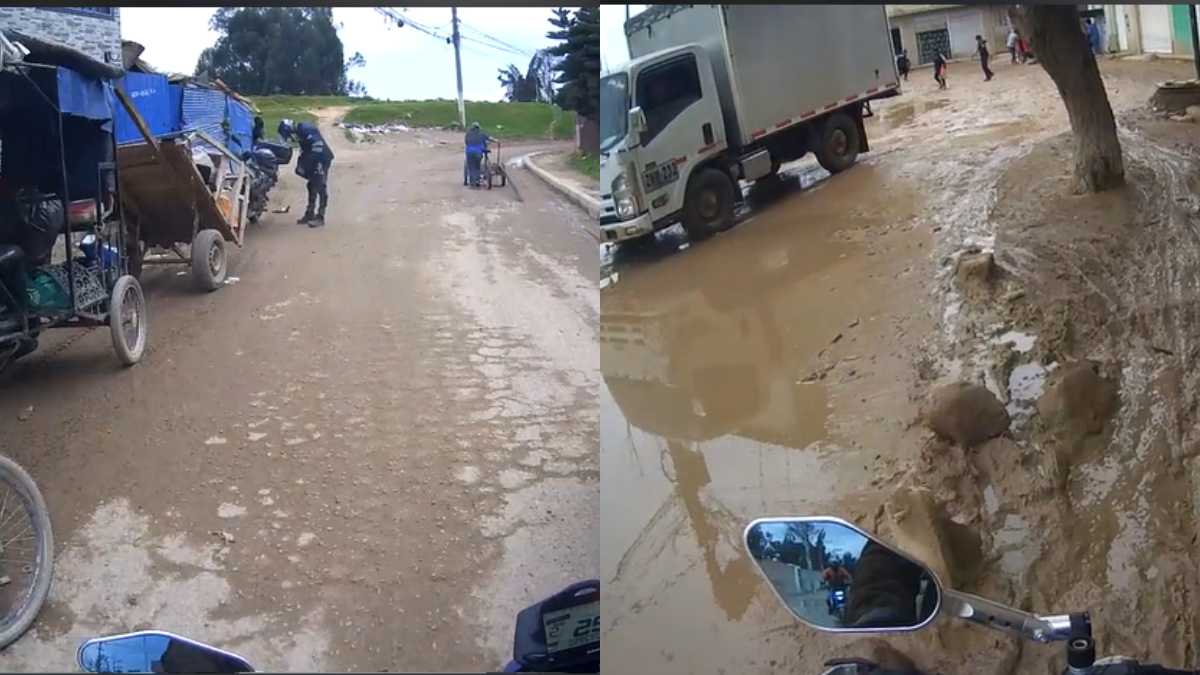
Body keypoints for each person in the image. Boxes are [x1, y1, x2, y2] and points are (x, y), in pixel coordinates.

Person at [843, 540, 938, 628]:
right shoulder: (895, 537)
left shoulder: (841, 571)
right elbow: (881, 556)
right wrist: (878, 617)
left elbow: (847, 575)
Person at [278, 118, 334, 227]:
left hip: (322, 158)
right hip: (315, 158)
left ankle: (320, 216)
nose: (291, 139)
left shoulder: (306, 129)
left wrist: (309, 164)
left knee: (320, 185)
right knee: (311, 185)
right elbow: (306, 150)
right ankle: (310, 213)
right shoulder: (300, 131)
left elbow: (318, 147)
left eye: (289, 136)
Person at [464, 121, 492, 188]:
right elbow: (490, 139)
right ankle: (477, 181)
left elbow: (466, 142)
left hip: (469, 152)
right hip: (478, 152)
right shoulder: (482, 134)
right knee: (477, 167)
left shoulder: (468, 134)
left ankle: (472, 183)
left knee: (471, 168)